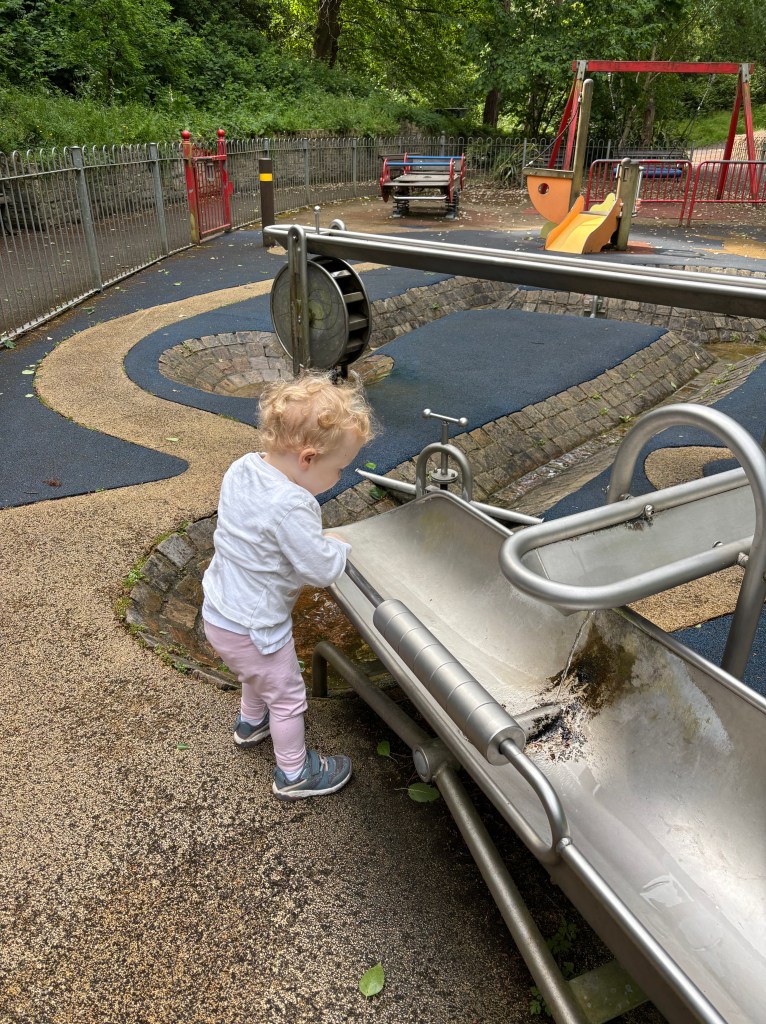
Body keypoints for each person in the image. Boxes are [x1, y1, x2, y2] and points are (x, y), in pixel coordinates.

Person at [202, 371, 374, 800]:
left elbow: (260, 535)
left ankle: (249, 722)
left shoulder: (242, 468)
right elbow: (318, 569)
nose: (338, 479)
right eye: (338, 470)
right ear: (308, 458)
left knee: (255, 675)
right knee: (289, 697)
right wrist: (335, 548)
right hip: (256, 628)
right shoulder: (294, 503)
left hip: (219, 613)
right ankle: (294, 774)